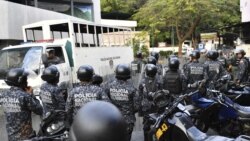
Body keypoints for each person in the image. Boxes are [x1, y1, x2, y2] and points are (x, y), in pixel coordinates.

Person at [0, 68, 43, 141]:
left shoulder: (3, 95)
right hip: (26, 137)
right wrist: (31, 94)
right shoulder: (25, 96)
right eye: (25, 79)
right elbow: (39, 110)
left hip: (11, 137)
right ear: (20, 81)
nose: (26, 81)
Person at [104, 64, 137, 141]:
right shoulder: (131, 88)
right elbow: (137, 106)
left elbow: (104, 102)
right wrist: (129, 110)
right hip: (127, 121)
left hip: (112, 120)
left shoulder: (108, 85)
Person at [138, 64, 162, 141]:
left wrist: (140, 110)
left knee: (146, 125)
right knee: (157, 124)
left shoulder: (142, 82)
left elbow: (140, 96)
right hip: (156, 106)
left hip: (146, 107)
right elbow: (161, 93)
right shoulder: (159, 81)